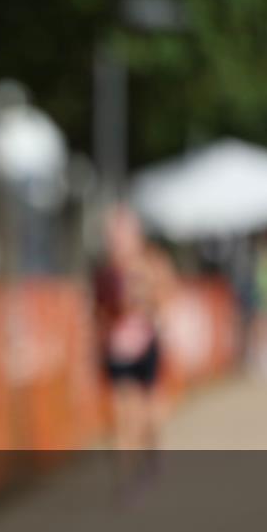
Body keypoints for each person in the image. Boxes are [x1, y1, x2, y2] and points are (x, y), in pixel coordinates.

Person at [92, 205, 171, 502]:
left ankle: (150, 456)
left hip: (145, 346)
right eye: (113, 236)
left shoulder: (151, 264)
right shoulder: (104, 272)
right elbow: (99, 312)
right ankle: (125, 479)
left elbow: (164, 299)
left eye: (122, 235)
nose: (117, 242)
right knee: (122, 414)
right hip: (116, 349)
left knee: (148, 413)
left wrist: (146, 301)